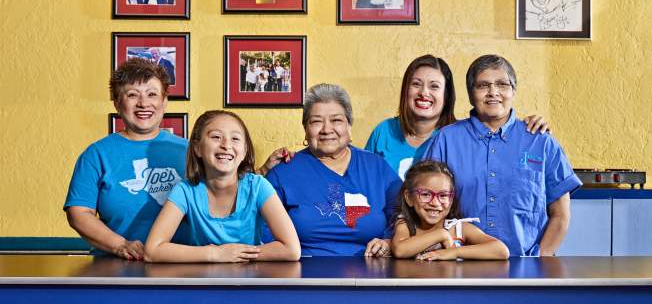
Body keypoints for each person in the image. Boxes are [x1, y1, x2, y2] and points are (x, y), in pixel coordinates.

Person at [420, 55, 582, 256]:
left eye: (502, 84)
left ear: (513, 91)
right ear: (471, 95)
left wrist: (541, 259)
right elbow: (423, 205)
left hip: (526, 269)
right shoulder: (446, 140)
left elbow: (561, 215)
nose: (493, 92)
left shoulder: (541, 142)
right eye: (483, 86)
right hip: (459, 266)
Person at [64, 58, 187, 260]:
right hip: (115, 266)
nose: (143, 103)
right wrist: (120, 245)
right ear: (117, 103)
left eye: (152, 94)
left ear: (164, 101)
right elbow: (79, 214)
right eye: (132, 95)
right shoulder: (96, 155)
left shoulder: (190, 151)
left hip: (182, 265)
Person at [265, 83, 402, 256]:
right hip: (304, 274)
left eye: (336, 120)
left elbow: (402, 215)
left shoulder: (376, 166)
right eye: (316, 122)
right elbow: (264, 232)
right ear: (305, 130)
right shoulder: (283, 172)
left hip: (372, 272)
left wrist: (390, 242)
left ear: (349, 126)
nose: (327, 129)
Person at [144, 110, 300, 263]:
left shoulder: (258, 187)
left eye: (235, 138)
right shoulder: (185, 190)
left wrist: (237, 254)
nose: (226, 145)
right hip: (201, 281)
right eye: (216, 137)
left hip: (250, 281)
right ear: (197, 148)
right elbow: (152, 251)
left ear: (245, 150)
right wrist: (216, 254)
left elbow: (291, 249)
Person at [365, 55, 549, 179]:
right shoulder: (383, 132)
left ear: (447, 95)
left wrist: (529, 127)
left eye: (434, 86)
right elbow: (364, 184)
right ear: (406, 89)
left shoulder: (454, 138)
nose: (424, 93)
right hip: (384, 233)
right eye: (416, 84)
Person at [391, 160, 509, 260]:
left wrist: (454, 252)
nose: (435, 203)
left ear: (451, 199)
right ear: (409, 197)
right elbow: (400, 250)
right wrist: (441, 235)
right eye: (426, 194)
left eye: (443, 196)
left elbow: (501, 250)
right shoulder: (406, 225)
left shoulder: (458, 229)